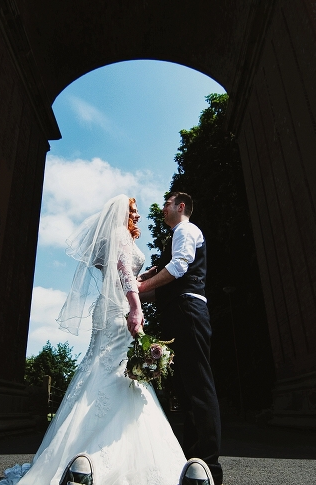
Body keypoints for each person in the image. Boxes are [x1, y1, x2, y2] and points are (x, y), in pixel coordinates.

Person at [12, 195, 189, 485]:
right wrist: (136, 307)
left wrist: (146, 276)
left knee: (112, 371)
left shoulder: (116, 237)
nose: (138, 216)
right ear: (121, 213)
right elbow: (123, 272)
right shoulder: (119, 234)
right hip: (117, 310)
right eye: (134, 211)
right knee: (115, 372)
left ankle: (82, 457)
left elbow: (124, 273)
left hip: (110, 306)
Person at [138, 193, 222, 485]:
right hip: (177, 310)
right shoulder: (173, 236)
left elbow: (178, 268)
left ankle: (209, 465)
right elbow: (159, 290)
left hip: (189, 308)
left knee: (199, 383)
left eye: (167, 204)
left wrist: (141, 286)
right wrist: (131, 294)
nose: (163, 210)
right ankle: (191, 459)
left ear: (181, 206)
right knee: (185, 388)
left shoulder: (186, 230)